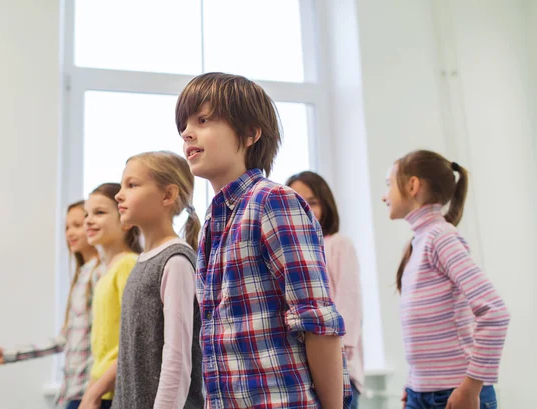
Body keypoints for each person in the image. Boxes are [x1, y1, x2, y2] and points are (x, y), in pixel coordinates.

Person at [176, 72, 351, 409]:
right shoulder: (215, 219)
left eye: (203, 119)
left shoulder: (272, 201)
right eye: (184, 124)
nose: (187, 132)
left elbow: (317, 321)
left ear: (250, 132)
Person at [382, 150, 510, 409]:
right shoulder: (420, 241)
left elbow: (495, 312)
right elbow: (425, 327)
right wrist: (414, 380)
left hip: (453, 393)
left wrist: (471, 387)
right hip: (422, 392)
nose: (384, 196)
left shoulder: (440, 237)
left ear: (412, 185)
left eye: (388, 184)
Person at [0, 200, 105, 409]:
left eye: (77, 225)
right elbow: (64, 340)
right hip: (74, 394)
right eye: (67, 227)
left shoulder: (102, 273)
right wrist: (8, 355)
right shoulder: (82, 276)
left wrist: (93, 393)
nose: (70, 233)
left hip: (90, 394)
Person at [111, 151, 203, 409]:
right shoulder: (141, 262)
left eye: (132, 185)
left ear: (167, 195)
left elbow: (177, 359)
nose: (119, 195)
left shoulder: (176, 261)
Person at [287, 171, 364, 409]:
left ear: (325, 205)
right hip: (302, 374)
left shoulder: (338, 244)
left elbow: (349, 302)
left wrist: (339, 354)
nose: (304, 209)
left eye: (312, 202)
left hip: (339, 372)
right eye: (296, 202)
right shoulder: (289, 254)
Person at [78, 183, 141, 409]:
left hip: (113, 391)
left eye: (99, 213)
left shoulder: (128, 265)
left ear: (124, 220)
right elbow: (103, 348)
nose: (88, 220)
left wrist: (94, 393)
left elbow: (132, 342)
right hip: (103, 390)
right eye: (86, 214)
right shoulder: (106, 271)